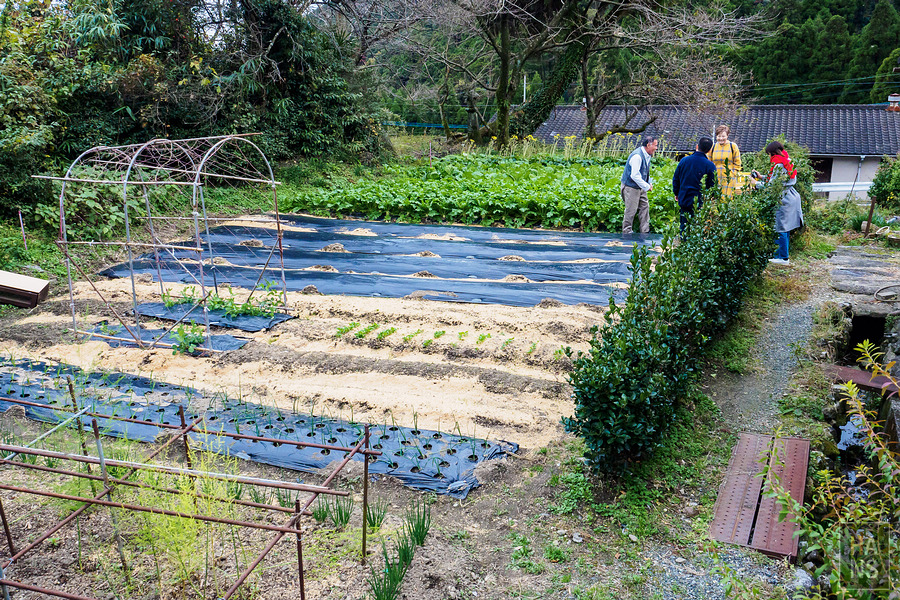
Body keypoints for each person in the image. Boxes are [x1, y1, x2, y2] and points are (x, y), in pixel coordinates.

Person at [751, 141, 803, 265]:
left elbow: (772, 186)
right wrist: (761, 177)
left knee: (781, 227)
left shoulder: (779, 164)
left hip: (783, 198)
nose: (769, 157)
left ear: (772, 153)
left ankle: (782, 257)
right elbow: (777, 179)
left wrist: (755, 184)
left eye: (769, 154)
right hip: (791, 196)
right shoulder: (787, 160)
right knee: (786, 227)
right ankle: (782, 255)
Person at [672, 137, 718, 233]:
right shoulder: (710, 165)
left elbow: (676, 179)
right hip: (700, 200)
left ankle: (683, 244)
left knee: (684, 225)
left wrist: (676, 193)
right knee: (698, 226)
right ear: (709, 150)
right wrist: (711, 198)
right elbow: (712, 185)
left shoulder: (684, 161)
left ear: (697, 146)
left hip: (684, 197)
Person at [621, 136, 659, 234]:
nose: (656, 148)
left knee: (644, 207)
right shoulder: (637, 156)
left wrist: (649, 182)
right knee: (631, 210)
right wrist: (646, 186)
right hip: (631, 187)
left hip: (640, 185)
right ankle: (627, 232)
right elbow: (634, 175)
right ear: (648, 145)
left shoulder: (647, 155)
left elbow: (646, 171)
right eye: (655, 145)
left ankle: (645, 232)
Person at [707, 125, 742, 196]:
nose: (721, 138)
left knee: (727, 199)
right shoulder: (713, 147)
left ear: (727, 135)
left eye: (723, 136)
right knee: (715, 200)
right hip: (716, 178)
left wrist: (733, 174)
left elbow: (737, 163)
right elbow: (709, 162)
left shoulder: (733, 146)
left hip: (729, 179)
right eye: (719, 136)